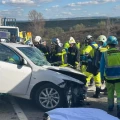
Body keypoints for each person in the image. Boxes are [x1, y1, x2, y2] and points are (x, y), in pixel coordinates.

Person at [100, 36, 120, 118]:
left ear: (108, 44)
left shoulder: (105, 54)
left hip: (108, 78)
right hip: (119, 78)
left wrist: (101, 77)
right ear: (116, 44)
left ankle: (110, 107)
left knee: (110, 93)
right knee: (119, 94)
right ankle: (119, 107)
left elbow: (101, 67)